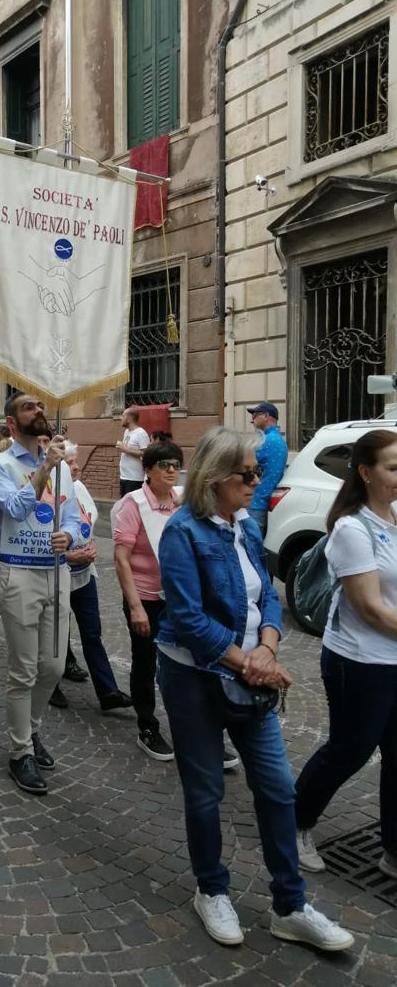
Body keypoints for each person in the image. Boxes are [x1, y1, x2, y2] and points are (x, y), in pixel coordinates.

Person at [156, 426, 353, 952]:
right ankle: (211, 890)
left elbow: (268, 592)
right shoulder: (183, 531)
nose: (257, 481)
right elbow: (188, 620)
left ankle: (290, 905)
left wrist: (267, 647)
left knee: (277, 789)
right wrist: (250, 664)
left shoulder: (244, 524)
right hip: (193, 679)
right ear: (216, 477)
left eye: (258, 472)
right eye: (248, 473)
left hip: (247, 673)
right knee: (205, 794)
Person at [294, 430, 397, 880]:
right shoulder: (352, 528)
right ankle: (293, 824)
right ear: (365, 472)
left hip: (393, 658)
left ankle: (393, 850)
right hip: (358, 661)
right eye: (393, 467)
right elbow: (371, 608)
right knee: (349, 750)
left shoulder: (395, 515)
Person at [0, 392, 80, 796]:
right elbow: (16, 508)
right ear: (10, 421)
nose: (39, 411)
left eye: (41, 406)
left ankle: (32, 729)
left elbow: (74, 515)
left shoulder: (62, 468)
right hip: (18, 573)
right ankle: (20, 750)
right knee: (23, 669)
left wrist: (70, 534)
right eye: (28, 407)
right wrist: (46, 468)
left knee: (54, 667)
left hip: (57, 573)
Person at [113, 439, 184, 760]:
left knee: (187, 664)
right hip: (145, 597)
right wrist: (136, 606)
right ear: (148, 470)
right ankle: (147, 725)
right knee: (145, 662)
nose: (172, 471)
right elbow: (121, 559)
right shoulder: (134, 503)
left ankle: (194, 728)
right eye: (164, 465)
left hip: (180, 598)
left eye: (176, 465)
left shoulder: (182, 500)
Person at [50, 441, 133, 712]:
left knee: (92, 632)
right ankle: (50, 685)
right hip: (56, 574)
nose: (77, 467)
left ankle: (107, 691)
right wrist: (70, 556)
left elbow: (88, 522)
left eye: (76, 462)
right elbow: (40, 541)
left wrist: (92, 544)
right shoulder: (48, 493)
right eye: (70, 463)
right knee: (55, 633)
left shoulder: (80, 488)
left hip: (85, 574)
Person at [246, 402, 288, 536]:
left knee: (251, 548)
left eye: (255, 415)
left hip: (256, 502)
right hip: (266, 502)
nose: (252, 419)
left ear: (266, 416)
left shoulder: (265, 440)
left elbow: (241, 463)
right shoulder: (279, 440)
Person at [116, 406, 150, 497]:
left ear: (129, 419)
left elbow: (146, 454)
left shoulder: (141, 433)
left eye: (123, 416)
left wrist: (125, 449)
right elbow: (126, 448)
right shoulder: (127, 431)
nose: (121, 418)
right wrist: (123, 447)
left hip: (135, 479)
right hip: (124, 476)